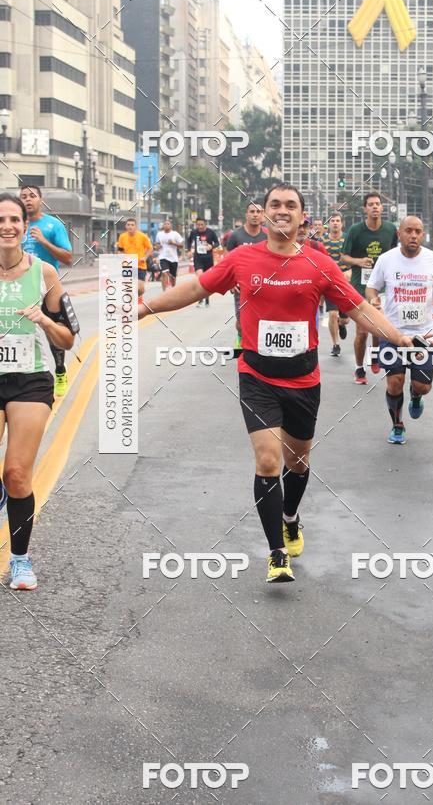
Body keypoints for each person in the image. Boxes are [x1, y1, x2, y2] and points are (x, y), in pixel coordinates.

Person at [138, 183, 413, 583]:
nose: (282, 211)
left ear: (303, 217)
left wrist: (397, 337)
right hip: (257, 376)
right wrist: (146, 307)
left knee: (297, 462)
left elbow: (358, 307)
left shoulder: (320, 264)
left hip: (303, 379)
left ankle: (290, 517)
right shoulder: (242, 258)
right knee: (267, 459)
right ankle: (276, 553)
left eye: (290, 206)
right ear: (264, 214)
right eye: (274, 205)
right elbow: (198, 287)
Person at [0, 194, 76, 589]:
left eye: (14, 218)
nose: (7, 226)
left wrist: (44, 319)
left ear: (22, 223)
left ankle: (20, 561)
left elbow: (68, 339)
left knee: (16, 473)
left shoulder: (45, 273)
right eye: (1, 219)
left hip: (29, 380)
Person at [366, 216, 433, 444]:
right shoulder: (386, 260)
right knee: (394, 382)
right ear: (400, 234)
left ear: (423, 235)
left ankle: (415, 396)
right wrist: (374, 301)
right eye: (409, 231)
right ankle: (397, 424)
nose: (414, 235)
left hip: (424, 333)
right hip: (393, 332)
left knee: (423, 386)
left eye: (418, 232)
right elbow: (371, 288)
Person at [20, 185, 73, 397]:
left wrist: (43, 241)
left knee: (52, 330)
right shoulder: (15, 225)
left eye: (32, 196)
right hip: (20, 288)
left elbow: (68, 258)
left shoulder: (53, 225)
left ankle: (59, 369)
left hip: (47, 287)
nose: (27, 200)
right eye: (23, 196)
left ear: (41, 200)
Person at [341, 192, 397, 383]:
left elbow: (396, 254)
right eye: (371, 204)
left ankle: (374, 357)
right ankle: (359, 368)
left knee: (378, 327)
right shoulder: (356, 231)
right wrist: (359, 261)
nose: (374, 207)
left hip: (381, 287)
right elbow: (344, 257)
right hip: (360, 286)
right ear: (365, 209)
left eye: (378, 204)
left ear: (382, 208)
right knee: (362, 331)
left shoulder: (390, 229)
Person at [227, 204, 267, 345]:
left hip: (264, 286)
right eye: (252, 212)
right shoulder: (235, 236)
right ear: (246, 214)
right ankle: (241, 339)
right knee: (241, 322)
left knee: (262, 319)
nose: (255, 214)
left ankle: (256, 347)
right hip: (241, 287)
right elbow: (228, 263)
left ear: (263, 215)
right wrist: (230, 283)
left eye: (258, 212)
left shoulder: (268, 235)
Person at [322, 211, 350, 356]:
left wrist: (350, 272)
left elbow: (352, 258)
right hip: (329, 283)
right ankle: (336, 344)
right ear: (329, 223)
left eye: (337, 221)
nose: (335, 223)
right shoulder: (322, 241)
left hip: (345, 283)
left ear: (341, 223)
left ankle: (341, 322)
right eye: (332, 221)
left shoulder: (347, 239)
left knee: (345, 320)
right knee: (332, 313)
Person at [116, 218, 153, 301]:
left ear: (135, 226)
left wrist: (145, 257)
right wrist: (120, 256)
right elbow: (120, 250)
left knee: (140, 289)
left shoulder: (143, 236)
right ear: (126, 226)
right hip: (127, 265)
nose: (130, 227)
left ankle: (136, 297)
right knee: (128, 287)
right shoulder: (122, 237)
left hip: (140, 265)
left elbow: (150, 248)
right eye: (128, 225)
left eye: (132, 225)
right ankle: (129, 303)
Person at [187, 218, 220, 307]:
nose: (200, 227)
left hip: (208, 259)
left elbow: (217, 243)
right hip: (198, 258)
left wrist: (211, 246)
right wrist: (189, 250)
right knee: (200, 278)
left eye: (202, 225)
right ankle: (200, 299)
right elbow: (188, 241)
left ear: (205, 224)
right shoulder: (194, 232)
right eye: (198, 225)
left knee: (207, 280)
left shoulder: (211, 232)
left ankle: (207, 299)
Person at [155, 219, 184, 291]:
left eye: (168, 224)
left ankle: (173, 290)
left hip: (173, 258)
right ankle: (164, 292)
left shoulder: (175, 234)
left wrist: (173, 243)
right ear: (163, 226)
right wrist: (157, 247)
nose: (166, 225)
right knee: (164, 273)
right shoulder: (159, 234)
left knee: (173, 278)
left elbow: (182, 245)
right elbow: (156, 245)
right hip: (163, 257)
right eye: (165, 224)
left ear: (171, 225)